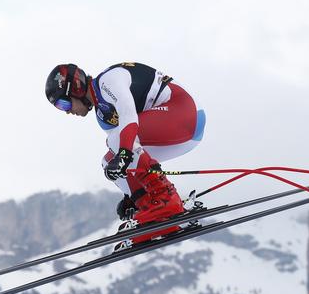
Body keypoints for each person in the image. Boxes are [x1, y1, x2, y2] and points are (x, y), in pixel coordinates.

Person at [45, 62, 206, 251]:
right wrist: (133, 194)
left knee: (118, 141)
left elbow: (129, 118)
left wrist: (123, 154)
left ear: (77, 88)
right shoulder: (102, 115)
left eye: (63, 103)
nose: (66, 111)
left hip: (184, 113)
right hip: (180, 132)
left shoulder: (107, 81)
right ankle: (150, 207)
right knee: (108, 161)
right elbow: (133, 153)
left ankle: (165, 201)